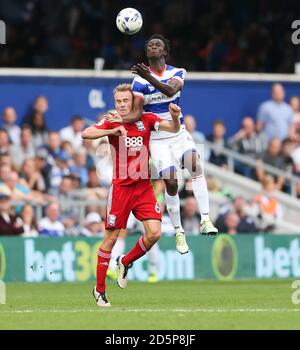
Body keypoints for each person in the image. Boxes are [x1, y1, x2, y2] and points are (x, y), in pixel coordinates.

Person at [108, 34, 218, 255]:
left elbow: (170, 91)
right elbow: (138, 112)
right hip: (157, 137)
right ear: (147, 52)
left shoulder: (177, 72)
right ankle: (179, 231)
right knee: (171, 183)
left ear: (165, 51)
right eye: (150, 45)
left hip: (177, 131)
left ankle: (206, 219)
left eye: (158, 45)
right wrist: (120, 119)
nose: (153, 47)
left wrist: (148, 77)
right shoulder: (138, 81)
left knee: (195, 165)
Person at [82, 83, 181, 307]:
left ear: (134, 101)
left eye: (126, 101)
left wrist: (175, 117)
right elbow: (86, 133)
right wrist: (112, 130)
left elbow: (173, 129)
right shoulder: (112, 119)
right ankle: (99, 291)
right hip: (121, 188)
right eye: (118, 101)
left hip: (143, 187)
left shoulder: (147, 119)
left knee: (155, 233)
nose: (122, 105)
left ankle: (125, 261)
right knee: (110, 238)